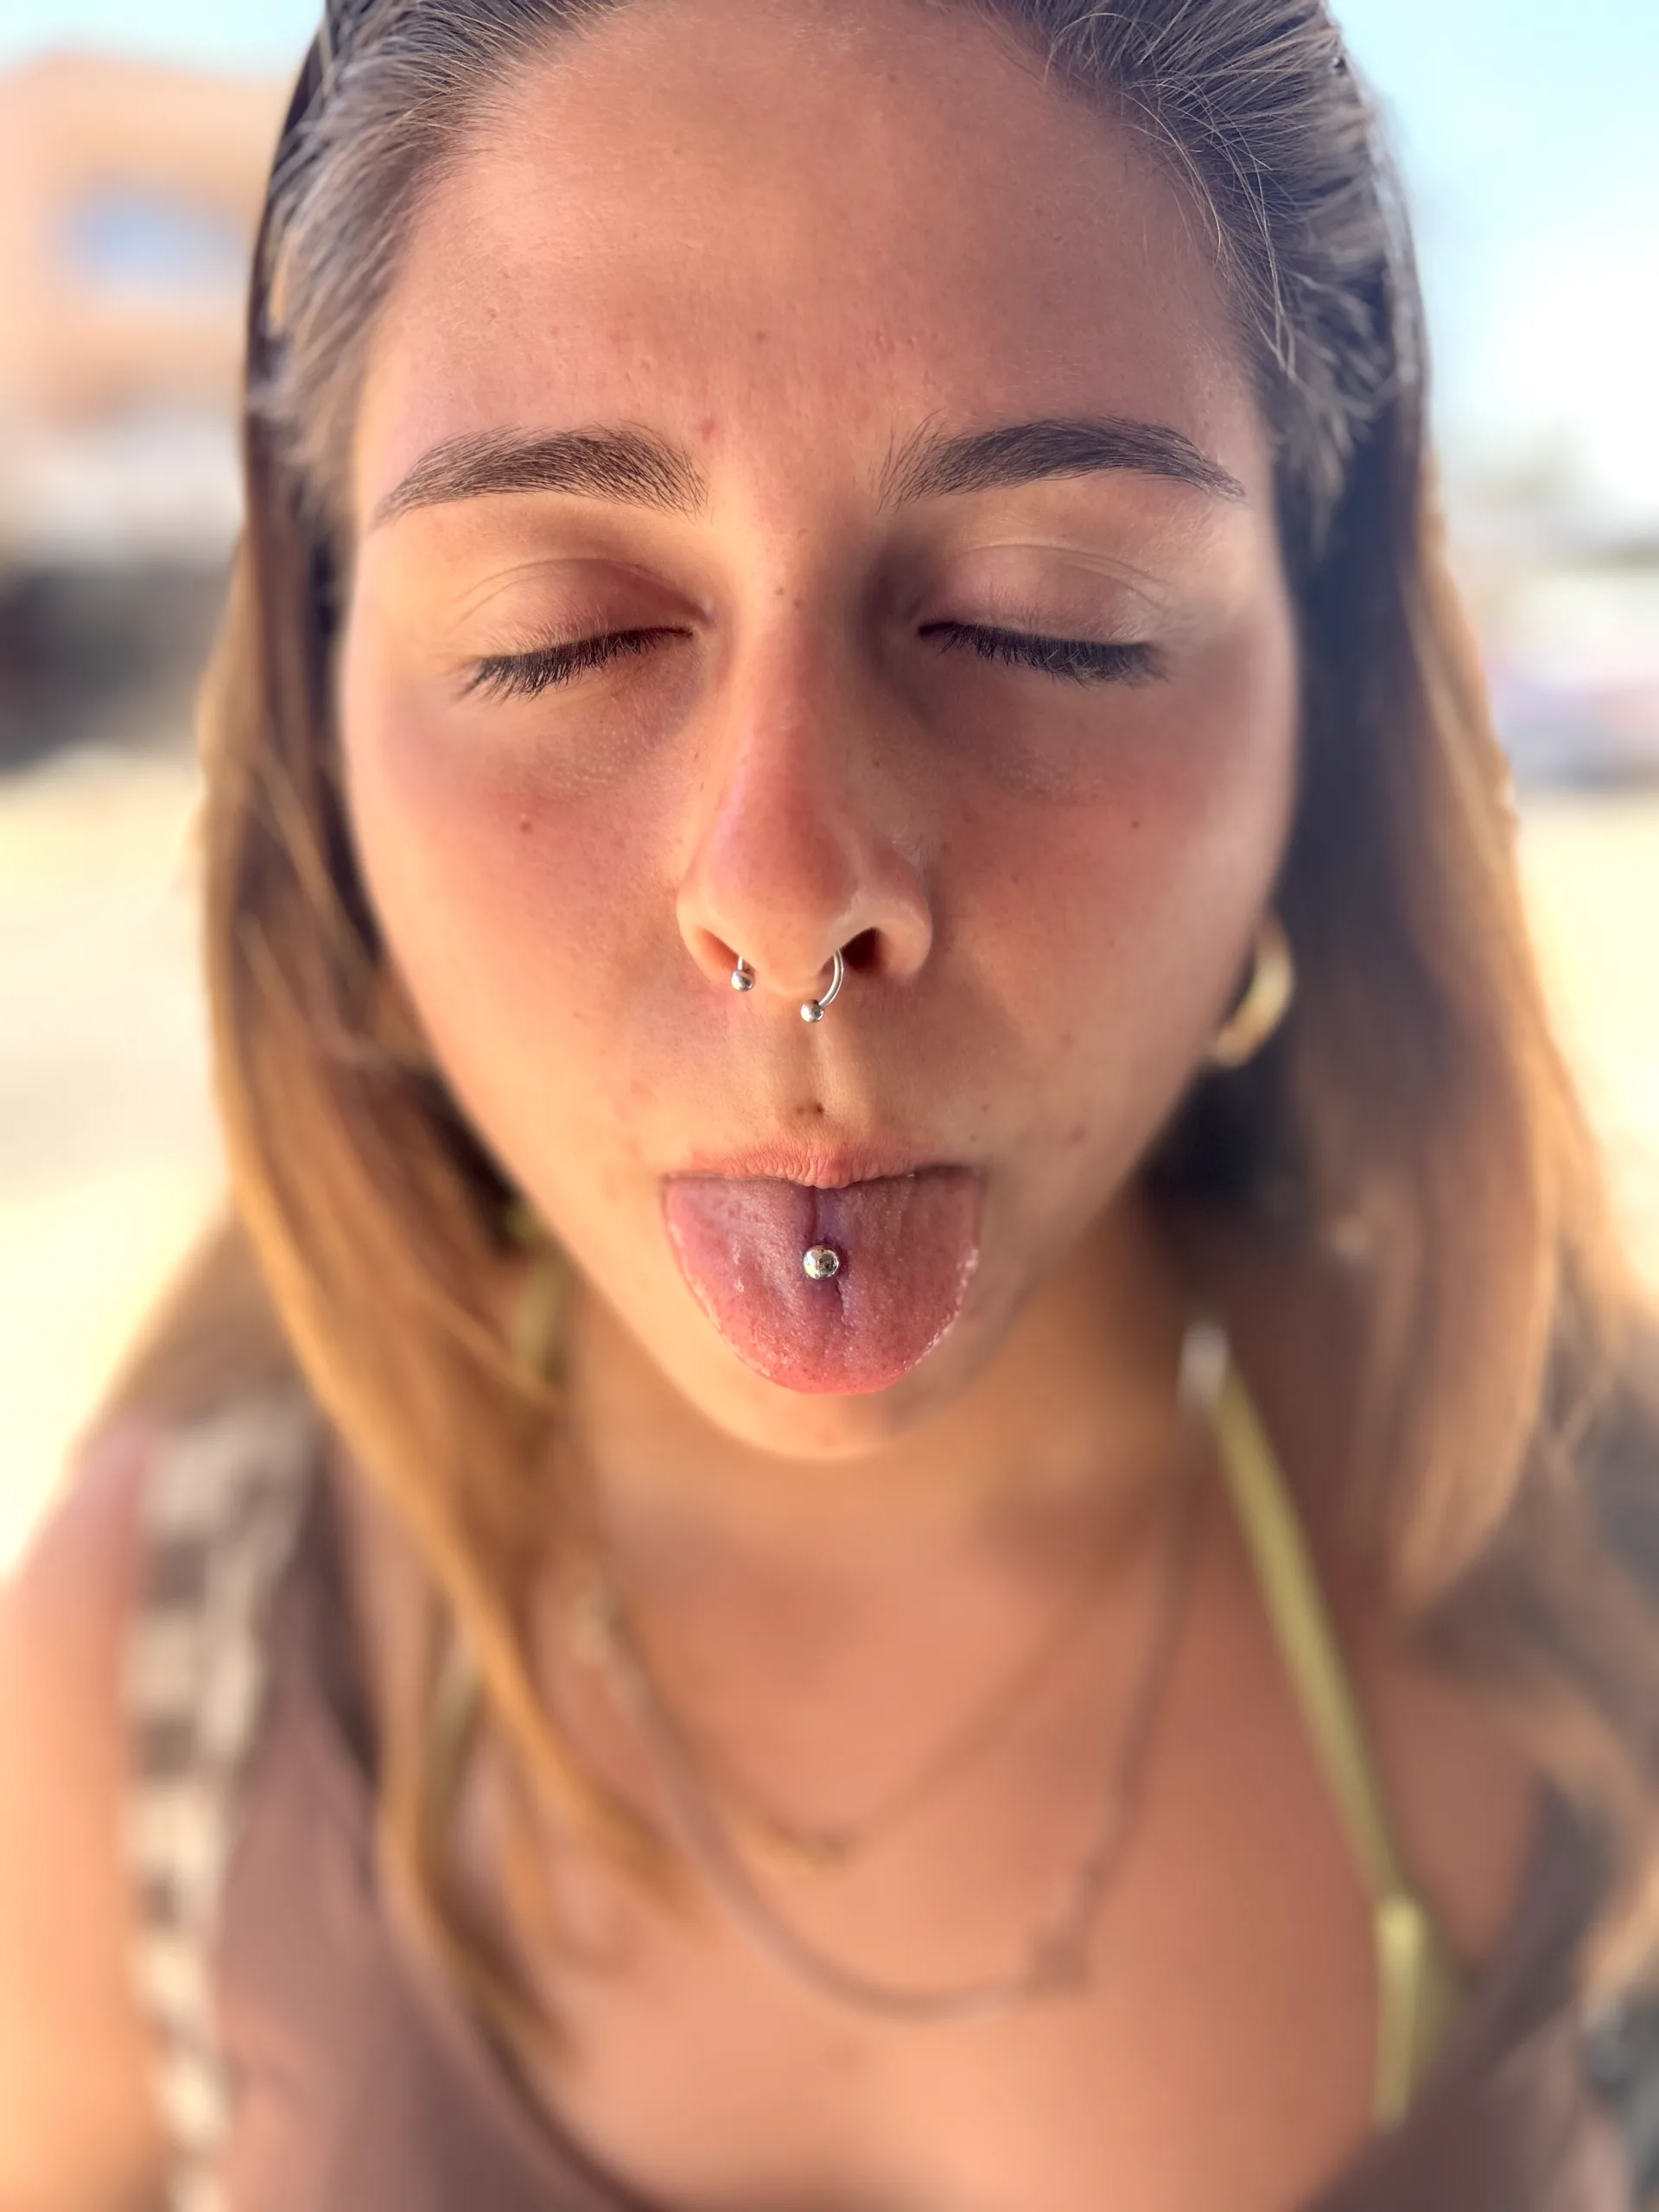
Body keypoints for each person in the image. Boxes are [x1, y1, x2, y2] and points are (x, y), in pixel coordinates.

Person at [3, 0, 1659, 2205]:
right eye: (562, 633)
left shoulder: (1613, 1584)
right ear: (323, 742)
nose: (786, 897)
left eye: (1048, 618)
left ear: (1320, 717)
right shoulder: (149, 1669)